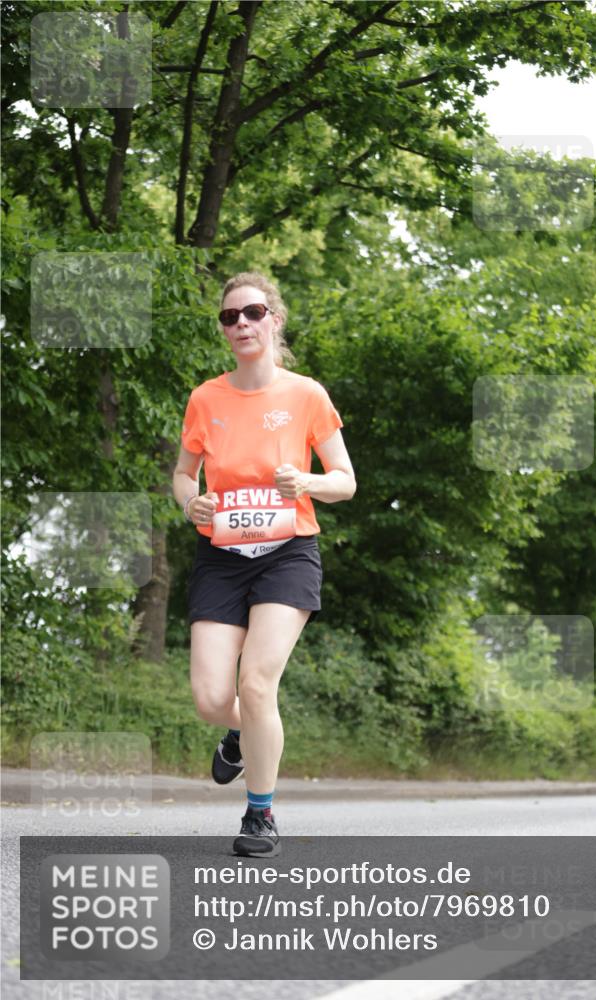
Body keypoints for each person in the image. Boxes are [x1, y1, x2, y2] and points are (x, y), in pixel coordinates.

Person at [172, 271, 356, 857]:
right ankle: (240, 733)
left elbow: (346, 482)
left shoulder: (306, 395)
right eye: (230, 318)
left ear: (274, 319)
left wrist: (306, 480)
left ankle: (260, 814)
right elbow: (183, 474)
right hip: (222, 555)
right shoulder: (206, 398)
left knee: (256, 683)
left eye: (252, 313)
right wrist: (189, 501)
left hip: (287, 553)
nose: (241, 325)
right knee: (210, 697)